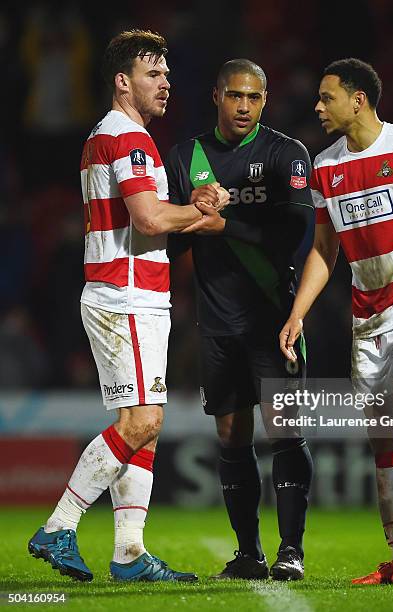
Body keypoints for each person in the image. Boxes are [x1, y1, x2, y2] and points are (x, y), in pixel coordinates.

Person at [28, 29, 227, 583]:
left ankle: (130, 553)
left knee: (141, 426)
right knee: (144, 421)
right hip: (128, 296)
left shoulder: (103, 136)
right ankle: (59, 526)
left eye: (166, 73)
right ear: (123, 81)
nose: (166, 83)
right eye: (153, 74)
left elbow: (145, 217)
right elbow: (149, 219)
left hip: (124, 293)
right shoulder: (131, 139)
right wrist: (197, 211)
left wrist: (190, 211)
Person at [280, 58, 393, 585]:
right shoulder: (324, 167)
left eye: (326, 96)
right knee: (381, 436)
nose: (317, 106)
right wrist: (299, 313)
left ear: (358, 99)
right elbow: (323, 249)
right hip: (367, 313)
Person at [166, 59, 314, 581]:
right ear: (216, 96)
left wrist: (223, 221)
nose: (244, 106)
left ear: (265, 99)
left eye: (253, 97)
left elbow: (293, 231)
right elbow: (168, 238)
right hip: (218, 320)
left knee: (285, 432)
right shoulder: (186, 158)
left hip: (274, 317)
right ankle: (248, 552)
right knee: (231, 434)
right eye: (234, 96)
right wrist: (192, 212)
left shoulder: (285, 153)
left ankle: (290, 550)